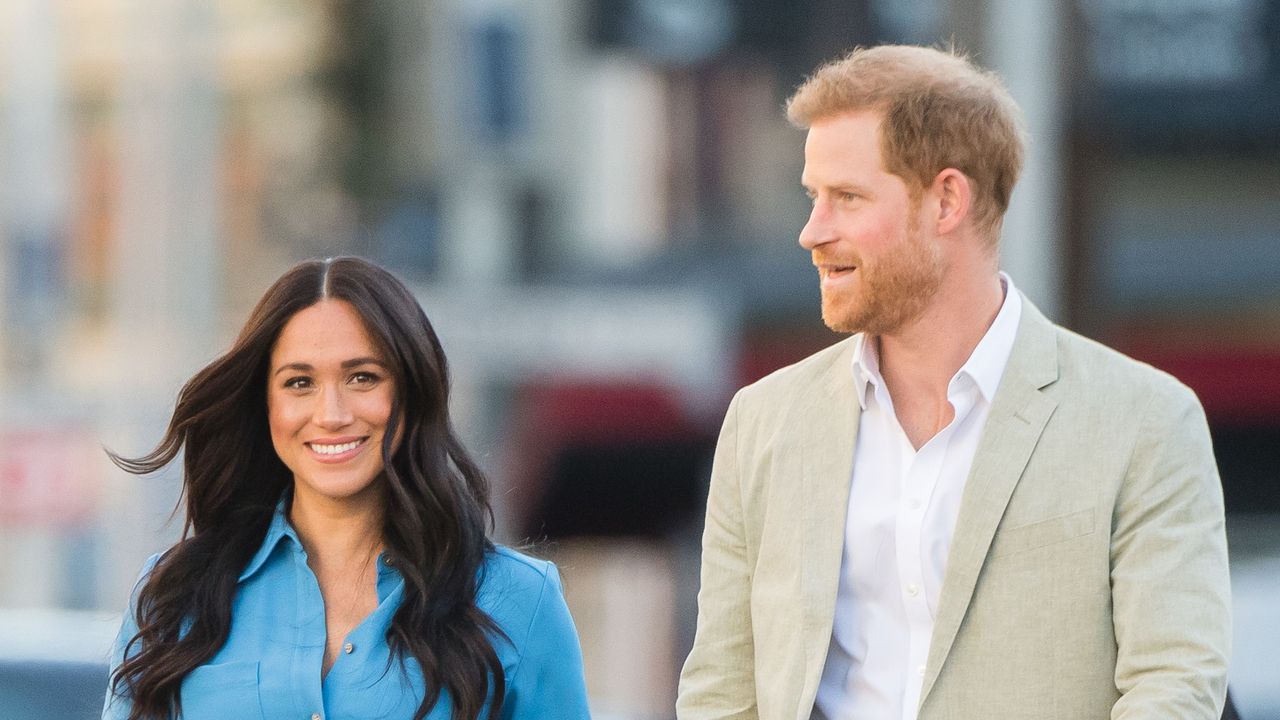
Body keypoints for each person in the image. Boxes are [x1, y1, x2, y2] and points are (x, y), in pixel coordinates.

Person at [676, 45, 1231, 719]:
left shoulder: (1145, 421)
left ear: (946, 200)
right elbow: (722, 692)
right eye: (813, 197)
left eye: (847, 197)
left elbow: (1174, 687)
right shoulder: (761, 422)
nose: (811, 232)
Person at [102, 257, 592, 720]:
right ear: (264, 404)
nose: (332, 414)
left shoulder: (519, 600)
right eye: (299, 383)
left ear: (410, 390)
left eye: (362, 377)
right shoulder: (176, 596)